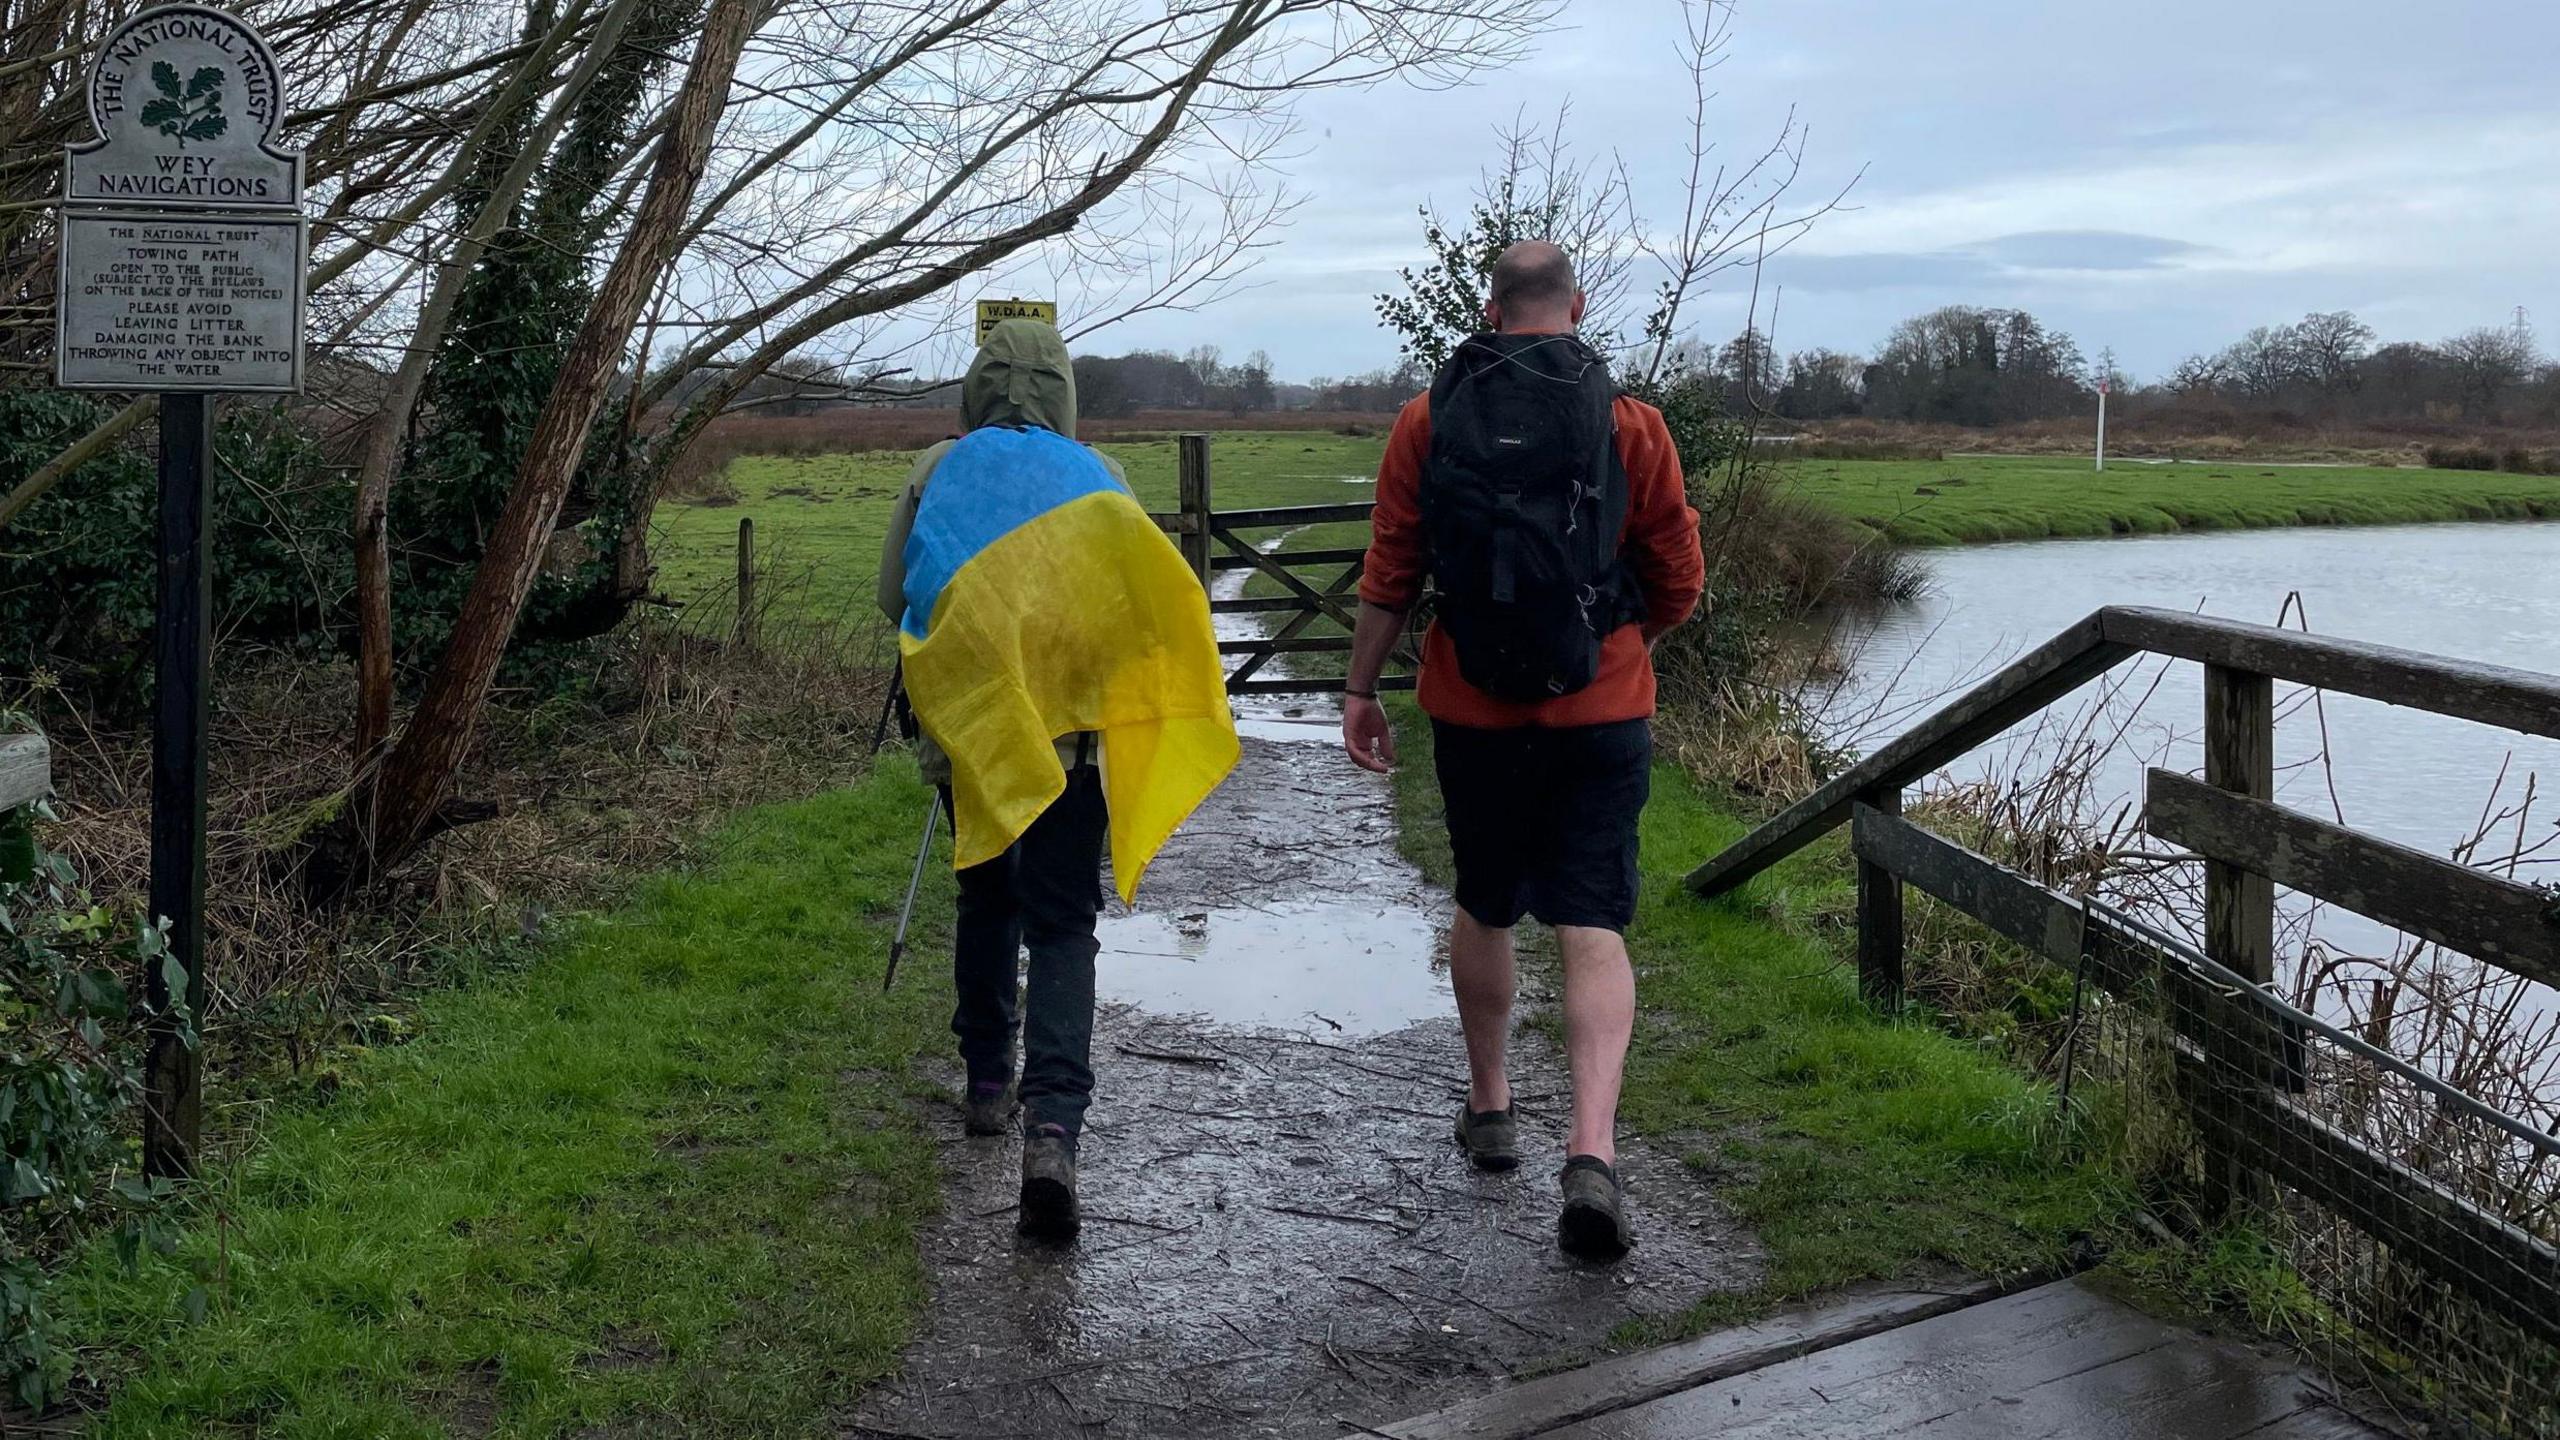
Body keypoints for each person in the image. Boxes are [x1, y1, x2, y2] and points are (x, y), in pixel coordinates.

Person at [1339, 242, 1704, 1261]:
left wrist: (1362, 688)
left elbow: (1393, 566)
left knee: (1485, 898)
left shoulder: (1428, 419)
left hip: (1470, 706)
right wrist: (1623, 645)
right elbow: (1676, 566)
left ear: (1490, 309)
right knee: (1590, 921)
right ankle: (1591, 1152)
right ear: (1576, 308)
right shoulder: (1632, 425)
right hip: (1602, 706)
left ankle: (1492, 1106)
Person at [878, 319, 1236, 1243]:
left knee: (986, 901)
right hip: (1074, 746)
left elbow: (894, 597)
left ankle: (988, 1081)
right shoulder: (1100, 480)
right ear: (1066, 390)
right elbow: (1138, 605)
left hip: (978, 740)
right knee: (1064, 924)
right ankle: (1053, 1129)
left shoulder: (936, 469)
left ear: (977, 386)